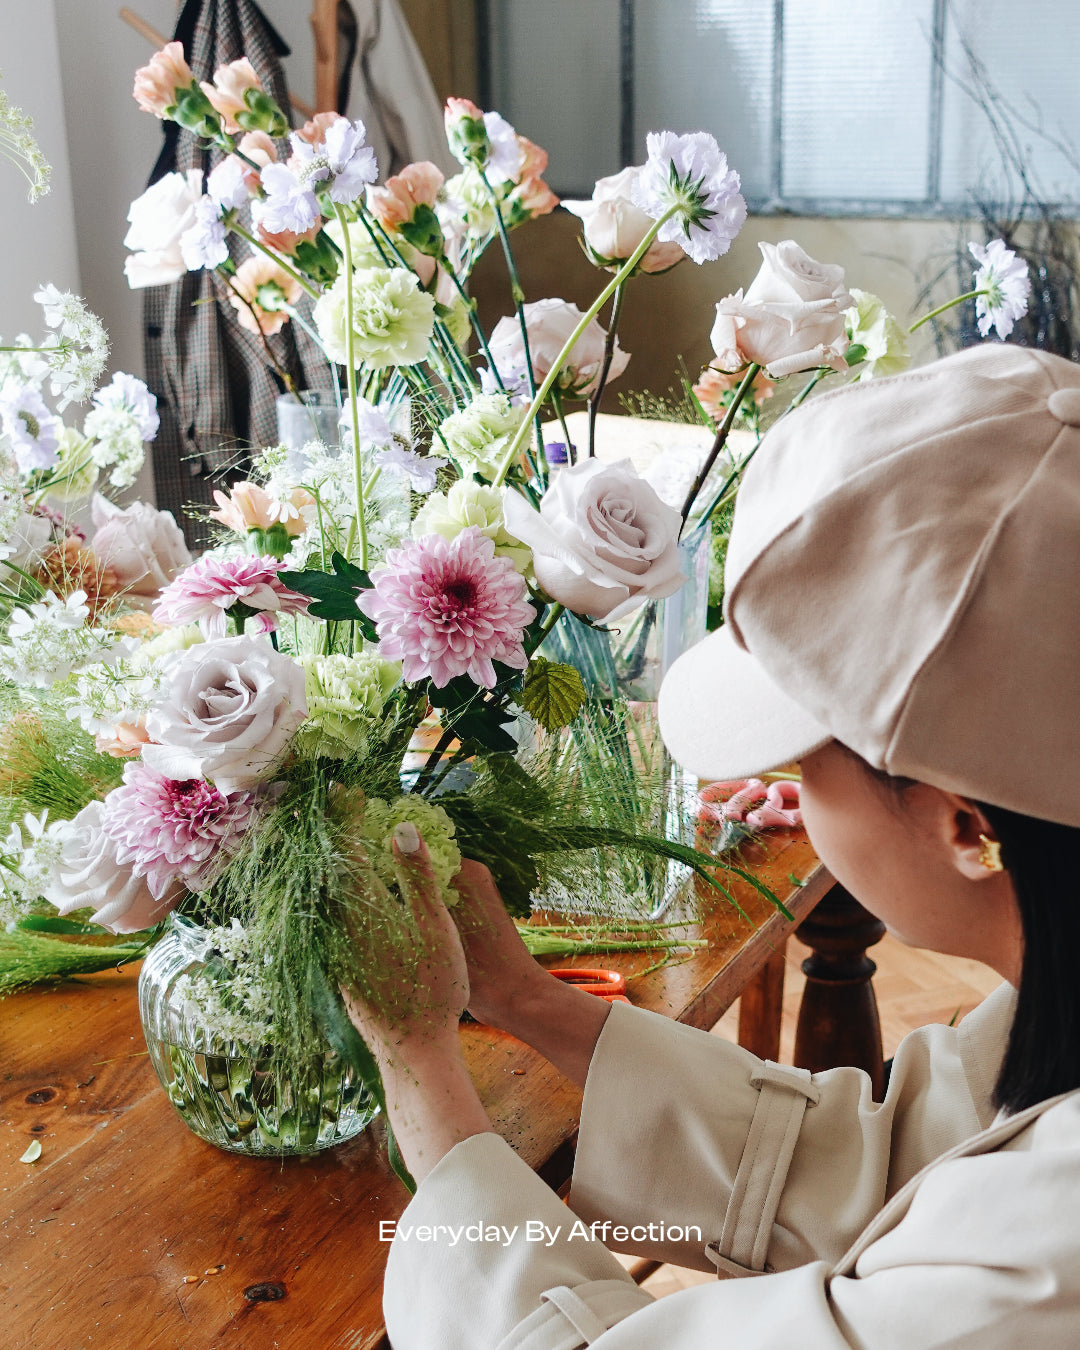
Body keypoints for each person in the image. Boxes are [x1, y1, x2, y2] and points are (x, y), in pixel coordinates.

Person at [347, 341, 1080, 1347]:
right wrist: (523, 999)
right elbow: (885, 1163)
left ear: (964, 822)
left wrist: (421, 1071)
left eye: (802, 759)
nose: (778, 790)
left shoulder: (1046, 1256)